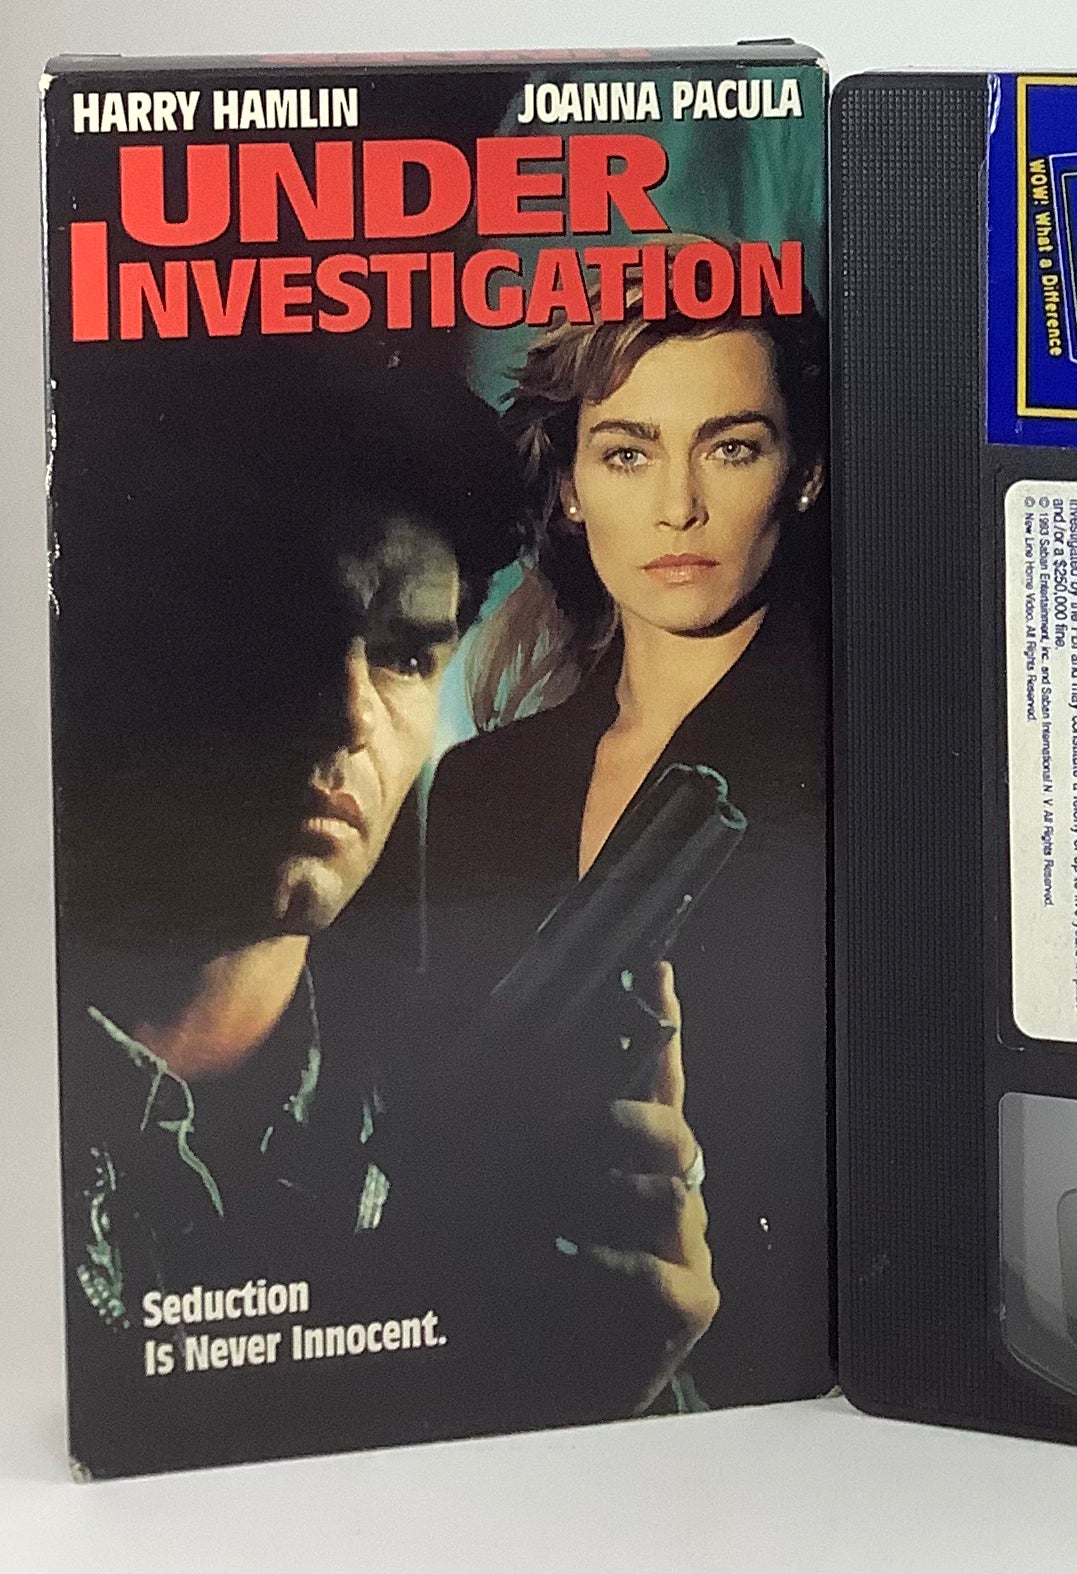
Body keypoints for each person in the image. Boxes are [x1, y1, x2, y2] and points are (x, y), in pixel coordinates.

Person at [52, 343, 717, 1474]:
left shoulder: (441, 1100)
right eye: (282, 638)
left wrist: (630, 1385)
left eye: (408, 658)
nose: (352, 715)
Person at [423, 238, 832, 1408]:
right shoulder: (482, 788)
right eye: (627, 451)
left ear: (803, 473)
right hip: (510, 1369)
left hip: (784, 1384)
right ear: (569, 485)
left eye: (731, 446)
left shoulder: (857, 756)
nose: (677, 505)